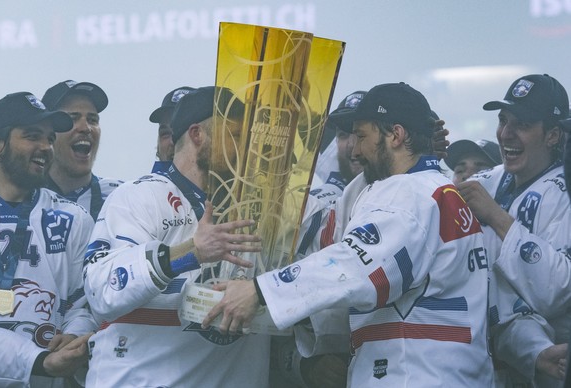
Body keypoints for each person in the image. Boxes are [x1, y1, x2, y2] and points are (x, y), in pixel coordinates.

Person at [204, 82, 494, 387]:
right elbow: (330, 233)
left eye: (361, 135)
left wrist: (260, 291)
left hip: (416, 375)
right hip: (445, 371)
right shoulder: (429, 188)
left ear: (396, 135)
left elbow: (355, 267)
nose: (354, 149)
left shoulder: (406, 195)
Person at [82, 86, 271, 387]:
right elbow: (102, 290)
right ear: (198, 135)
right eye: (237, 135)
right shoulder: (139, 195)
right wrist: (190, 252)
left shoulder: (260, 212)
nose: (249, 147)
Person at [457, 74, 571, 387]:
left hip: (550, 371)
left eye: (521, 124)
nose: (506, 134)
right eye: (503, 120)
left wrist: (496, 216)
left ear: (552, 135)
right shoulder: (494, 178)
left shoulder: (564, 192)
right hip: (487, 366)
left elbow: (557, 291)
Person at [0, 92, 96, 387]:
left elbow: (83, 304)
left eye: (49, 138)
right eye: (32, 136)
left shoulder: (73, 219)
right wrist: (39, 361)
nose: (46, 147)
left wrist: (74, 335)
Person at [41, 80, 122, 221]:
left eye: (92, 120)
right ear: (48, 131)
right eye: (72, 118)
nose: (85, 128)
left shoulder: (121, 196)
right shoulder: (22, 197)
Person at [149, 86, 196, 173]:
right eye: (165, 133)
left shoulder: (226, 185)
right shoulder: (142, 186)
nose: (172, 141)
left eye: (183, 132)